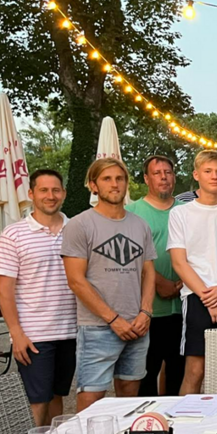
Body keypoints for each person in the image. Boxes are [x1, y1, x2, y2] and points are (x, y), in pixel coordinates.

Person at [62, 158, 156, 412]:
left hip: (137, 325)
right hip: (97, 327)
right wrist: (113, 319)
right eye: (106, 179)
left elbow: (149, 272)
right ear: (93, 186)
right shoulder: (79, 224)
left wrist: (146, 312)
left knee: (130, 396)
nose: (115, 184)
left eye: (119, 178)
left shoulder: (140, 225)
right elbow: (76, 281)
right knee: (91, 399)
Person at [0, 169, 77, 426]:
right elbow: (4, 289)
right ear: (31, 194)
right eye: (43, 190)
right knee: (37, 400)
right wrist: (16, 333)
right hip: (34, 334)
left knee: (57, 395)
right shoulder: (13, 234)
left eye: (55, 190)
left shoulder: (76, 229)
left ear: (63, 193)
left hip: (71, 331)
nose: (50, 196)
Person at [168, 150, 217, 395]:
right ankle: (185, 418)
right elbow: (179, 262)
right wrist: (210, 299)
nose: (214, 176)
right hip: (197, 297)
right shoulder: (180, 213)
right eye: (208, 171)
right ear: (196, 175)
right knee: (196, 370)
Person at [126, 156, 186, 397]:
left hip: (182, 308)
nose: (163, 177)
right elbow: (131, 256)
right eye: (157, 173)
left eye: (168, 172)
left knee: (178, 373)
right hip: (148, 310)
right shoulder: (132, 213)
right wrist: (160, 283)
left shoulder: (186, 211)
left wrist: (183, 281)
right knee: (146, 374)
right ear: (146, 178)